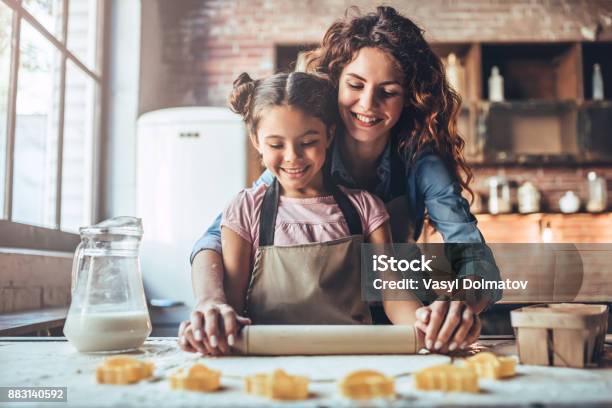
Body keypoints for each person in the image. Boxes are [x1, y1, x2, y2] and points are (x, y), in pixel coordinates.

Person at [180, 6, 501, 356]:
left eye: (388, 92)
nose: (368, 103)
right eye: (355, 84)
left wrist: (458, 309)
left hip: (396, 329)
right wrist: (211, 301)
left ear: (411, 97)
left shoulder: (419, 162)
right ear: (335, 81)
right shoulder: (305, 154)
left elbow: (471, 253)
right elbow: (216, 238)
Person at [179, 71, 422, 355]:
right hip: (266, 362)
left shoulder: (366, 208)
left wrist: (425, 324)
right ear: (256, 140)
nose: (292, 156)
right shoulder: (244, 209)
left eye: (307, 142)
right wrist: (213, 322)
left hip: (352, 358)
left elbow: (394, 294)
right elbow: (230, 304)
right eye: (276, 145)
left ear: (329, 135)